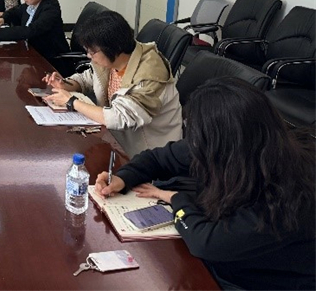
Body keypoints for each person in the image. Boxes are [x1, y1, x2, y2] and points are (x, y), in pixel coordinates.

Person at [95, 78, 315, 290]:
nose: (192, 143)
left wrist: (177, 199)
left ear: (223, 142)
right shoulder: (232, 147)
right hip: (227, 255)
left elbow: (207, 244)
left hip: (260, 281)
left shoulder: (289, 195)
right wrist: (123, 177)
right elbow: (157, 158)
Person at [43, 10, 181, 157]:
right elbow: (89, 78)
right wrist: (66, 84)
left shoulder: (149, 74)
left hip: (149, 153)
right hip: (115, 139)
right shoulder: (115, 58)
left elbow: (119, 117)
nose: (89, 56)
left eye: (92, 52)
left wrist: (71, 101)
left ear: (113, 47)